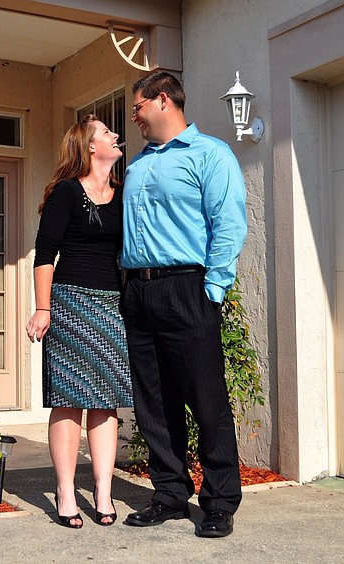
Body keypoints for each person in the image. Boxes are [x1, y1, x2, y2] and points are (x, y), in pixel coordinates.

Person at [119, 71, 247, 538]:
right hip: (139, 291)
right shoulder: (136, 165)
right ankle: (171, 493)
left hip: (187, 287)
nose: (133, 115)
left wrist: (212, 289)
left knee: (206, 398)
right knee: (153, 400)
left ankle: (219, 500)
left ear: (163, 101)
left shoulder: (211, 154)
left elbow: (228, 224)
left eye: (137, 106)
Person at [26, 114, 133, 529]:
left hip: (111, 305)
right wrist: (42, 308)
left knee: (105, 402)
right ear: (90, 146)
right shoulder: (66, 193)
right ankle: (67, 492)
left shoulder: (122, 194)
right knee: (69, 401)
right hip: (69, 303)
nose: (115, 135)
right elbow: (44, 253)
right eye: (107, 132)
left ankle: (103, 492)